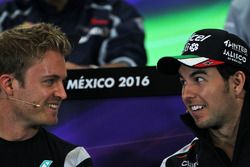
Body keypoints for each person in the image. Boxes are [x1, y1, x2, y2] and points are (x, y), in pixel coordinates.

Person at [0, 23, 92, 167]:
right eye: (49, 81)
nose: (63, 94)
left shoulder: (72, 160)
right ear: (9, 85)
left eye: (62, 82)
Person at [157, 29, 250, 166]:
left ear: (237, 83)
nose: (186, 95)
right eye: (183, 82)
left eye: (199, 79)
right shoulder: (174, 164)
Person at [0, 0, 147, 69]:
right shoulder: (8, 14)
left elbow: (129, 69)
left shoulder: (116, 12)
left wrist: (70, 71)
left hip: (94, 112)